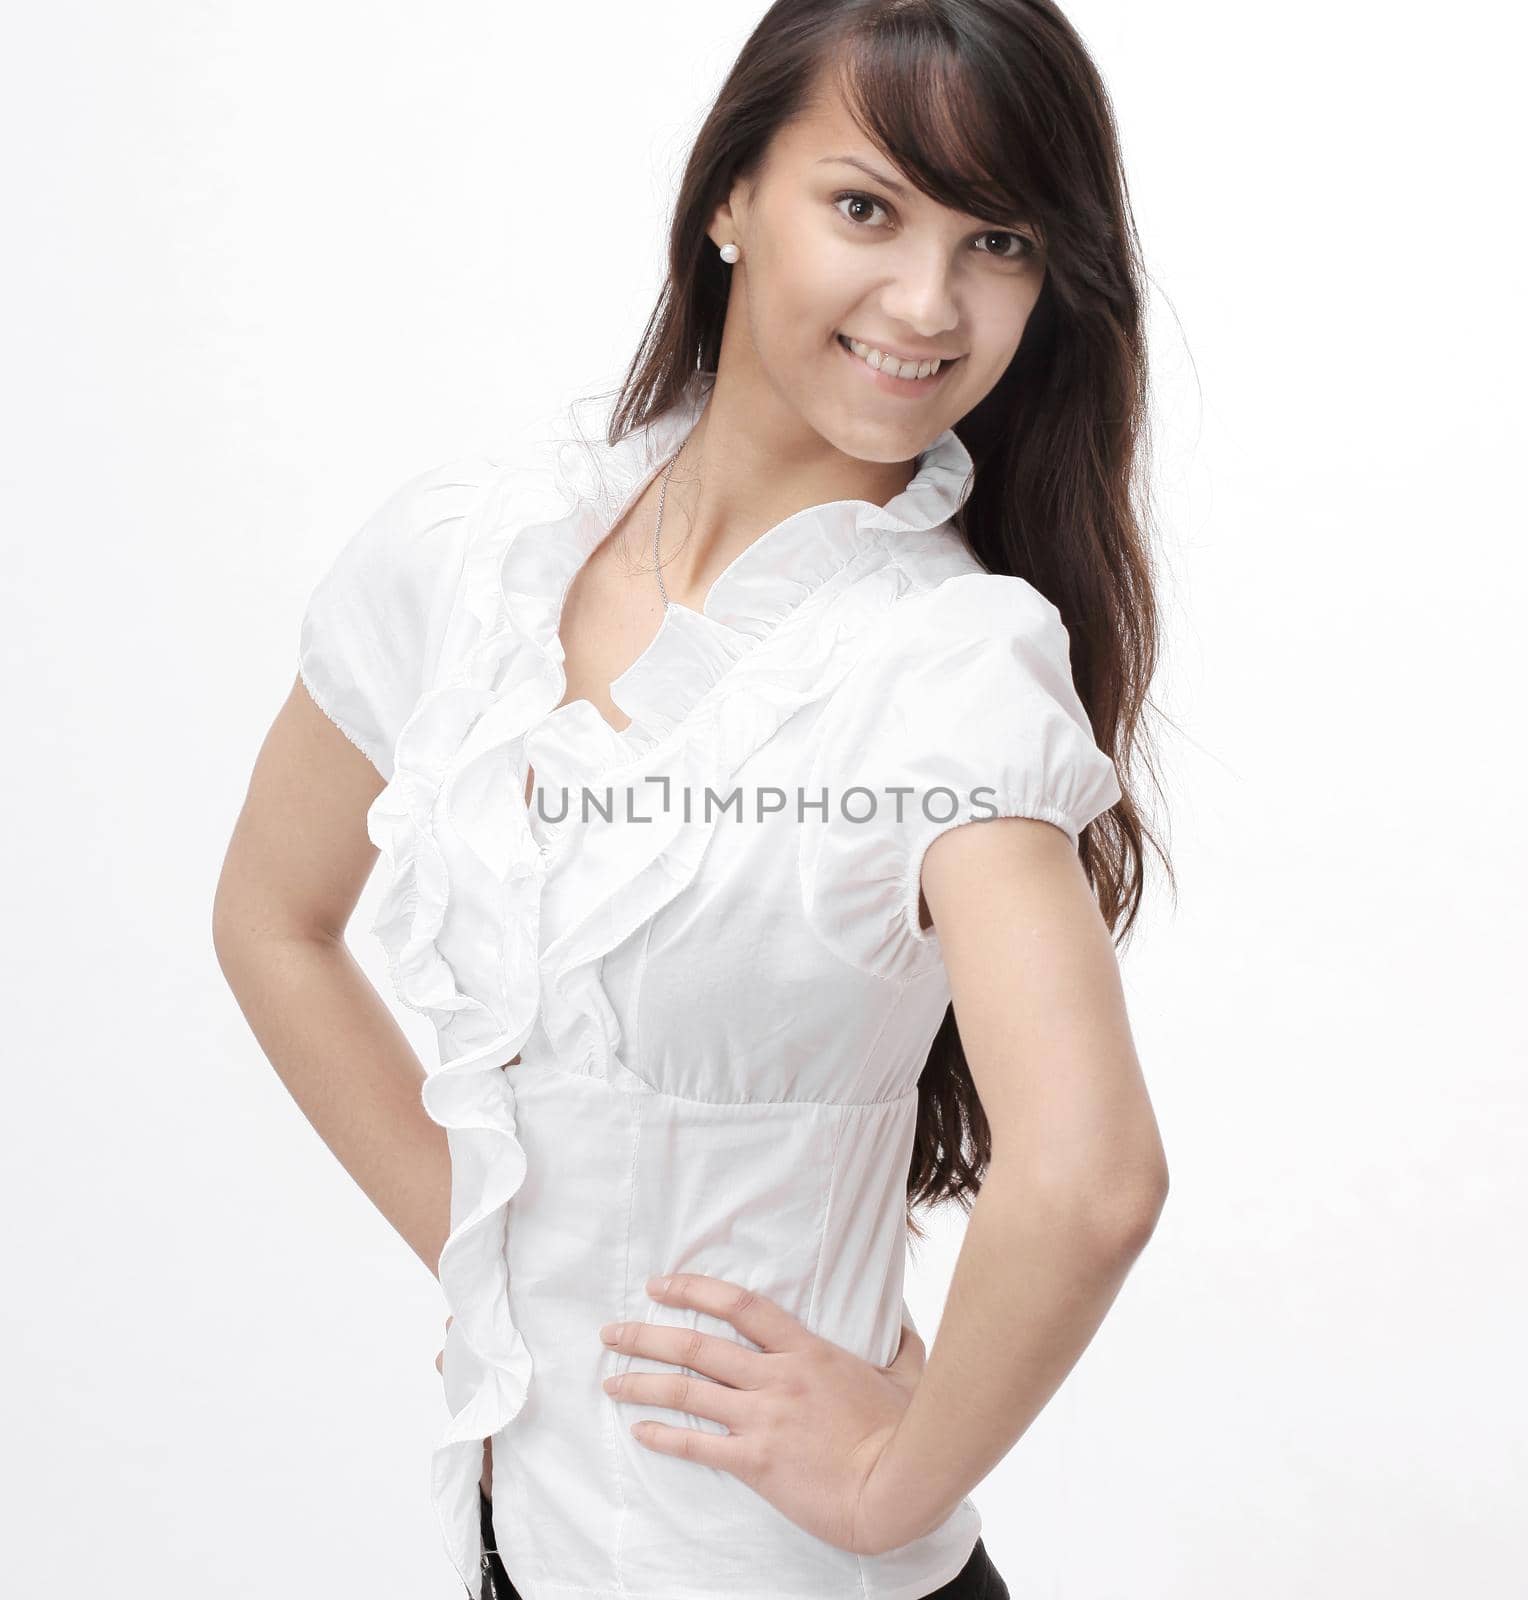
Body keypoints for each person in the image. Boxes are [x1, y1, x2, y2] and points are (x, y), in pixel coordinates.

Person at [213, 1, 1171, 1596]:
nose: (927, 302)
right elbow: (273, 917)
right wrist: (489, 1249)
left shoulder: (947, 668)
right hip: (521, 1537)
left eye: (995, 240)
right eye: (865, 207)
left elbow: (1092, 1182)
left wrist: (883, 1481)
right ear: (731, 196)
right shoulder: (474, 552)